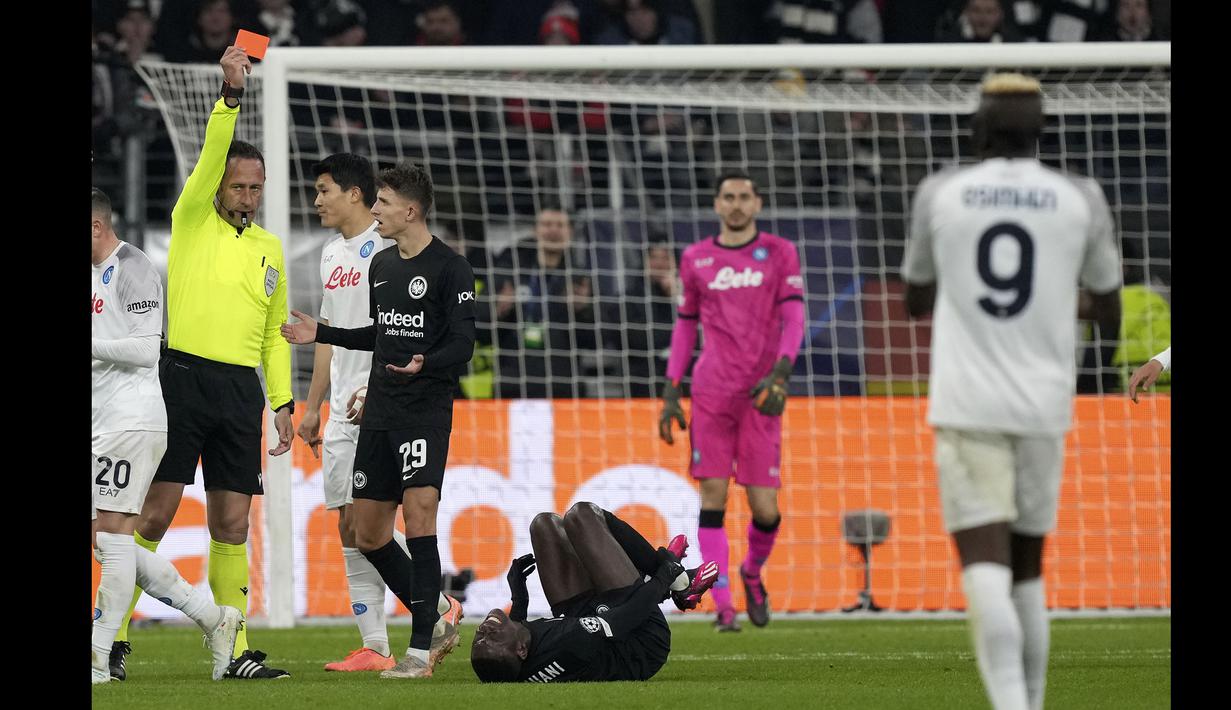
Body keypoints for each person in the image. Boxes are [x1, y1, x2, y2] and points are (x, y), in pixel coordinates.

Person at [900, 73, 1122, 710]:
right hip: (1045, 402)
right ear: (1041, 133)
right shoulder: (1080, 197)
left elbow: (915, 298)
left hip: (969, 403)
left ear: (977, 130)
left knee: (984, 566)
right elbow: (1109, 311)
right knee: (1028, 567)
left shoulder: (942, 192)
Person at [115, 46, 296, 681]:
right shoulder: (192, 218)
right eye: (237, 184)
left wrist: (282, 403)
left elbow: (275, 334)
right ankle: (110, 634)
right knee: (155, 515)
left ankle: (234, 650)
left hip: (240, 392)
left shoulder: (270, 249)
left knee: (232, 521)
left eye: (255, 187)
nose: (245, 195)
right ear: (217, 182)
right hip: (180, 381)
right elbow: (215, 148)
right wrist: (232, 94)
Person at [281, 162, 476, 679]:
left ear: (409, 210)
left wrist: (425, 363)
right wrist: (321, 334)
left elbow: (463, 344)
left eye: (384, 203)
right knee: (366, 533)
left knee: (419, 520)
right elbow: (375, 333)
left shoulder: (451, 268)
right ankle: (436, 608)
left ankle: (417, 654)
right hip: (379, 413)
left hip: (424, 413)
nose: (377, 211)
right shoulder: (383, 266)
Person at [92, 187, 243, 684]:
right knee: (105, 540)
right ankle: (213, 617)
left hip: (133, 418)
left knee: (112, 540)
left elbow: (142, 348)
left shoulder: (133, 267)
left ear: (96, 227)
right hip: (105, 420)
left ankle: (97, 656)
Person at [658, 170, 807, 632]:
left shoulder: (780, 253)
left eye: (745, 196)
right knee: (713, 495)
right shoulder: (697, 258)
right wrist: (670, 388)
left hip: (762, 394)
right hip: (712, 393)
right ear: (717, 204)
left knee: (766, 508)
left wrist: (781, 372)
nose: (737, 204)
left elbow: (795, 315)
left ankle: (752, 573)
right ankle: (723, 604)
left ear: (757, 203)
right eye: (729, 197)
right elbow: (685, 324)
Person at [469, 502, 719, 683]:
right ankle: (682, 584)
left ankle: (672, 581)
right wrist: (664, 577)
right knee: (583, 515)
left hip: (591, 625)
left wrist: (519, 596)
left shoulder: (518, 657)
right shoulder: (570, 642)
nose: (484, 632)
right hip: (638, 640)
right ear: (521, 651)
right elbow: (628, 616)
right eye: (492, 639)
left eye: (478, 639)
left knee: (543, 524)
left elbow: (520, 633)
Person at [489, 206, 603, 398]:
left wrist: (582, 310)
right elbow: (481, 332)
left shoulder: (581, 279)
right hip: (514, 385)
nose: (553, 230)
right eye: (547, 224)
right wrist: (499, 312)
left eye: (560, 225)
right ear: (535, 231)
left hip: (564, 388)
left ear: (570, 232)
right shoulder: (510, 272)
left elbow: (597, 341)